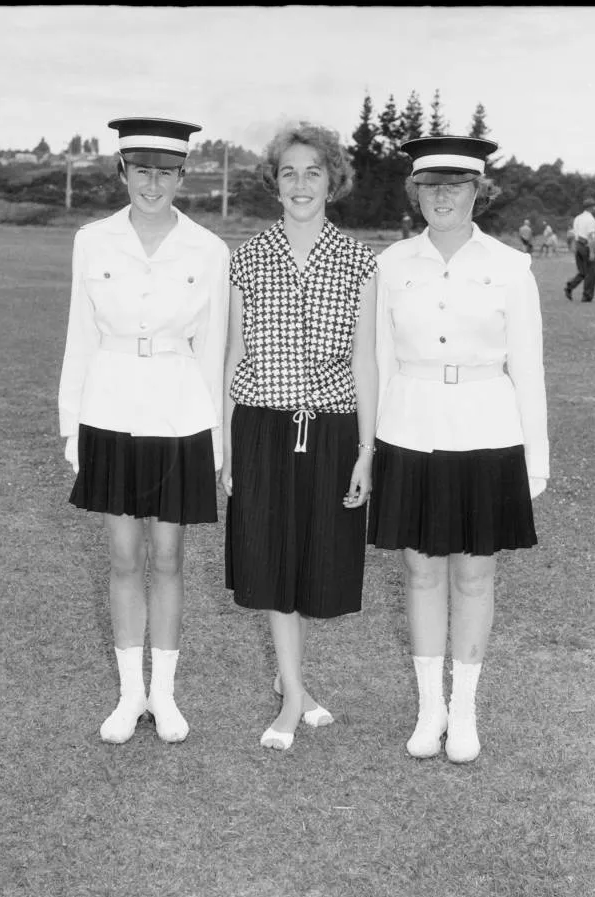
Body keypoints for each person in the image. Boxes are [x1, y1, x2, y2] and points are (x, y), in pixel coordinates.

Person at [369, 135, 549, 764]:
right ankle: (430, 710)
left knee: (474, 573)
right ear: (415, 191)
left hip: (488, 432)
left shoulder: (511, 268)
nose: (442, 196)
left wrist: (535, 460)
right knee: (421, 569)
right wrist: (373, 449)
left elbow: (528, 368)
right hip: (411, 428)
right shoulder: (390, 266)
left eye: (457, 184)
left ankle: (465, 710)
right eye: (430, 185)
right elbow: (382, 364)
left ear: (479, 191)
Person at [58, 117, 230, 744]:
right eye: (141, 170)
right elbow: (80, 336)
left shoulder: (208, 250)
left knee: (169, 557)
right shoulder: (91, 241)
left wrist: (215, 441)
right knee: (124, 558)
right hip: (108, 410)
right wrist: (71, 429)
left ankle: (165, 693)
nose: (153, 183)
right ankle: (131, 695)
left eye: (167, 171)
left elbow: (212, 350)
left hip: (180, 415)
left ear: (183, 175)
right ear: (123, 172)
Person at [222, 121, 378, 751]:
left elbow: (365, 361)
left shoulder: (359, 260)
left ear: (332, 181)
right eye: (289, 171)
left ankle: (297, 689)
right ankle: (292, 698)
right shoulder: (249, 257)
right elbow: (233, 354)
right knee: (270, 560)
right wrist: (229, 449)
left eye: (313, 171)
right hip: (261, 425)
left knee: (314, 563)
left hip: (335, 430)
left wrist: (367, 453)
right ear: (274, 183)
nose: (300, 183)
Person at [565, 196, 595, 302]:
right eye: (594, 205)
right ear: (591, 207)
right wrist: (592, 252)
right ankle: (587, 296)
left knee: (582, 271)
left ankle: (569, 286)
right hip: (586, 246)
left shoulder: (578, 218)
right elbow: (591, 236)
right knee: (590, 272)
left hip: (578, 245)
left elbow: (573, 233)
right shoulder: (591, 219)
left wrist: (573, 246)